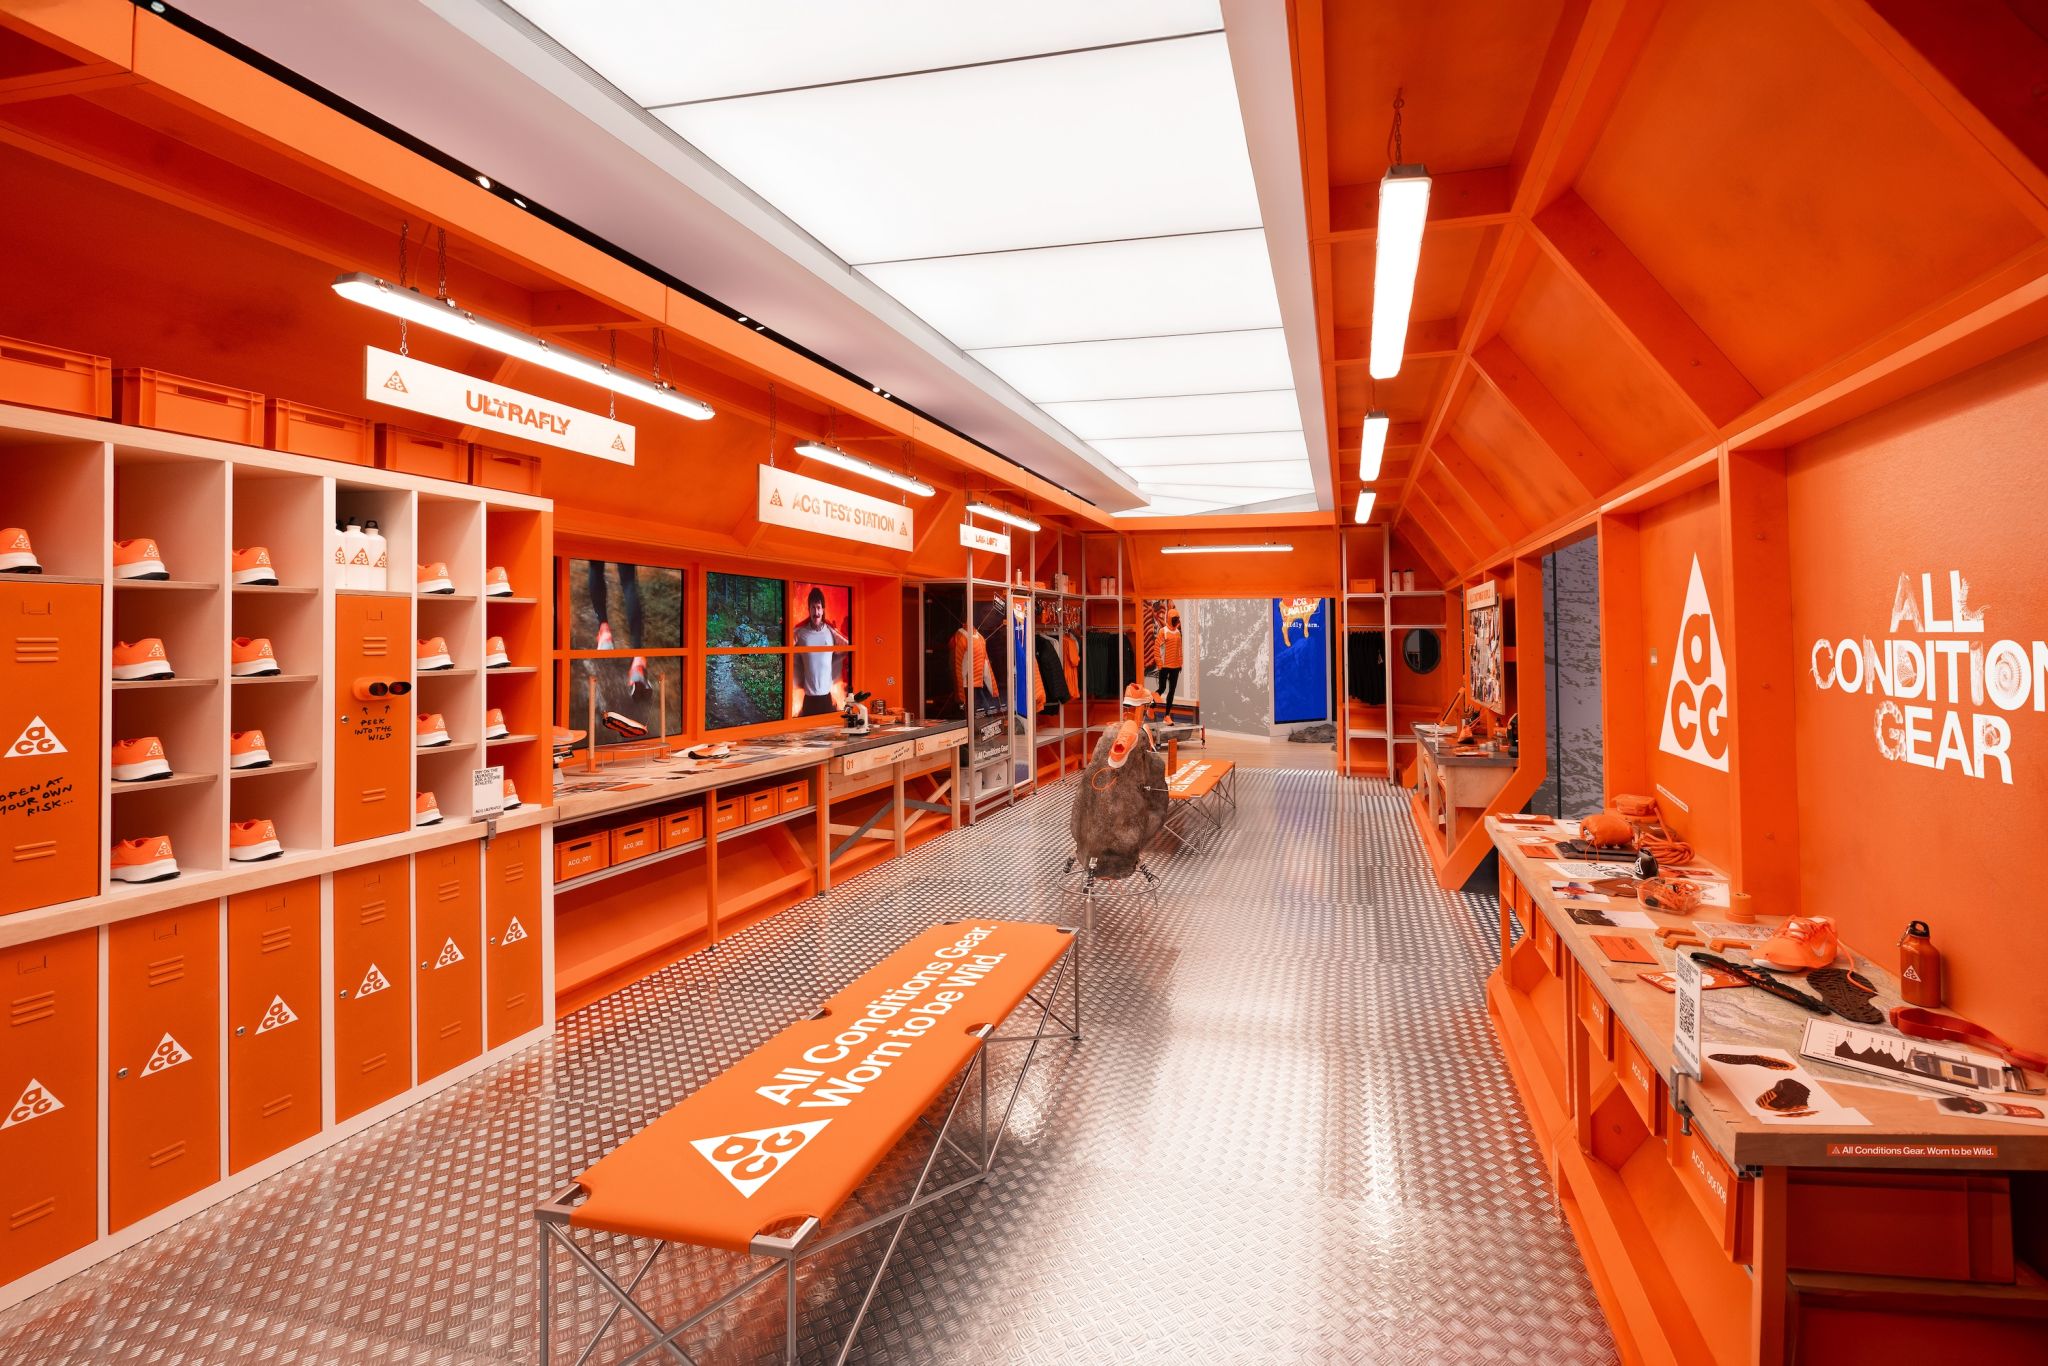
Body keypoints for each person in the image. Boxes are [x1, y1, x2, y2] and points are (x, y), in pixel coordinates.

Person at [793, 586, 850, 716]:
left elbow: (848, 646)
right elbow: (785, 645)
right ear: (809, 610)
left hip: (826, 699)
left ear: (823, 610)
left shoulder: (830, 632)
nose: (816, 612)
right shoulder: (801, 633)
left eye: (818, 607)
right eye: (813, 608)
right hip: (809, 700)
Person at [1157, 611, 1184, 713]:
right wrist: (1159, 663)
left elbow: (1179, 649)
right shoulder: (1162, 631)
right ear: (1169, 619)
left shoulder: (1178, 632)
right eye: (1174, 619)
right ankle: (1151, 707)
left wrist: (1180, 663)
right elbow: (1157, 648)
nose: (1176, 621)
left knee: (1172, 691)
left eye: (1177, 619)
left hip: (1175, 666)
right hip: (1164, 666)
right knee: (1162, 688)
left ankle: (1167, 715)